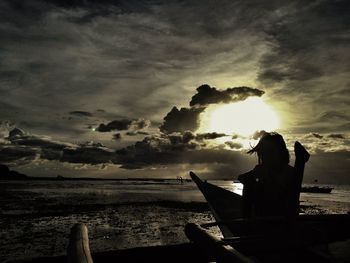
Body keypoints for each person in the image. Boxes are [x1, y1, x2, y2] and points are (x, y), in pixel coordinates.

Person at [238, 132, 309, 218]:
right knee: (249, 183)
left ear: (281, 154)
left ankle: (300, 162)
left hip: (284, 219)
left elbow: (292, 195)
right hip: (264, 218)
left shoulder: (288, 172)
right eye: (264, 153)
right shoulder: (260, 170)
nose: (266, 157)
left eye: (271, 153)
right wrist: (250, 180)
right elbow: (242, 178)